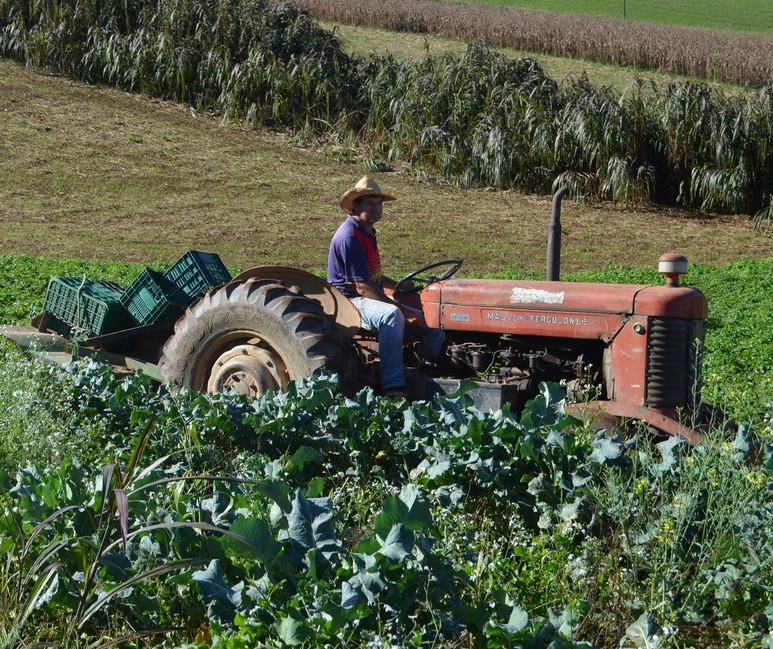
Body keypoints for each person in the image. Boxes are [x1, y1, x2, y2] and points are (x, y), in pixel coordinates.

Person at [327, 176, 444, 398]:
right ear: (356, 205)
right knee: (391, 315)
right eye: (370, 203)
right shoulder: (349, 237)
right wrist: (403, 310)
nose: (376, 208)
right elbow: (362, 287)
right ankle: (393, 386)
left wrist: (396, 285)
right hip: (349, 302)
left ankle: (428, 372)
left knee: (433, 320)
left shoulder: (366, 232)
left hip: (366, 296)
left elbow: (372, 276)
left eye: (379, 203)